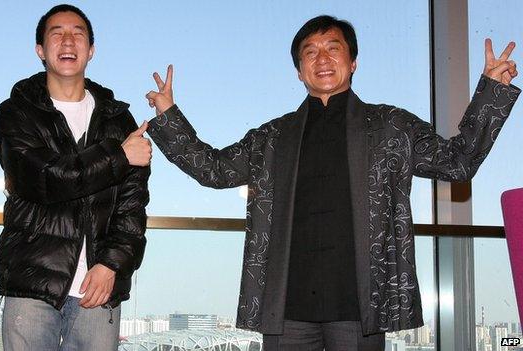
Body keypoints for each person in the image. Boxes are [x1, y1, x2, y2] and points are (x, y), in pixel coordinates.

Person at [145, 15, 519, 351]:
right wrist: (168, 115)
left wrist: (491, 91)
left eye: (333, 49)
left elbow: (457, 163)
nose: (322, 59)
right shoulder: (273, 136)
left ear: (353, 62)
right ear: (298, 71)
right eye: (310, 52)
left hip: (361, 304)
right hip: (285, 304)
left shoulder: (390, 126)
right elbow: (214, 169)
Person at [0, 4, 151, 350]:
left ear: (91, 50)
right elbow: (44, 180)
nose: (68, 41)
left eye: (78, 33)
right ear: (40, 50)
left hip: (99, 286)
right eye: (57, 33)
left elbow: (132, 210)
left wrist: (110, 264)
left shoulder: (118, 120)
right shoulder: (16, 112)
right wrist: (119, 156)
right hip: (33, 280)